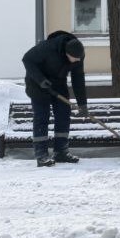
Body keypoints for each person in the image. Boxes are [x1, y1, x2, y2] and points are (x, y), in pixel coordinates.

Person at [22, 31, 89, 167]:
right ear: (66, 53)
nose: (77, 61)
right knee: (42, 116)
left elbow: (78, 79)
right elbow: (27, 59)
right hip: (37, 83)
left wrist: (82, 104)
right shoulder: (48, 47)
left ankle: (61, 152)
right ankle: (41, 155)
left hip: (58, 83)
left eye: (79, 59)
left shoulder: (78, 55)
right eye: (74, 59)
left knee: (64, 113)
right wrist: (41, 80)